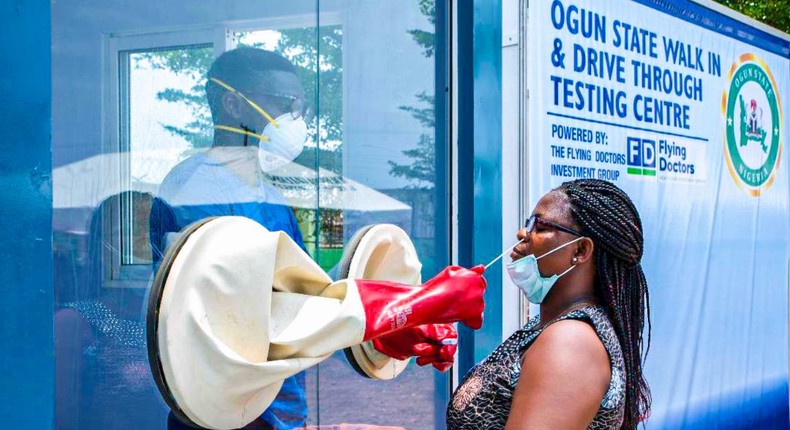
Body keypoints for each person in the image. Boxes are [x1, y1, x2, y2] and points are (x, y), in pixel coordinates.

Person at [447, 179, 651, 429]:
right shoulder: (551, 326)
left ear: (580, 250)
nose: (522, 234)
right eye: (527, 224)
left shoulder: (571, 341)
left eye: (540, 226)